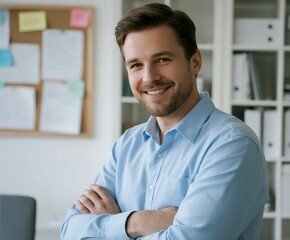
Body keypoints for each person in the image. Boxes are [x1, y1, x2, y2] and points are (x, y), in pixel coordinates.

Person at [61, 3, 268, 240]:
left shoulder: (233, 144)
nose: (149, 78)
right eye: (136, 65)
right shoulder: (127, 145)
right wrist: (135, 222)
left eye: (162, 60)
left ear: (195, 61)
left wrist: (111, 224)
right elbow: (70, 230)